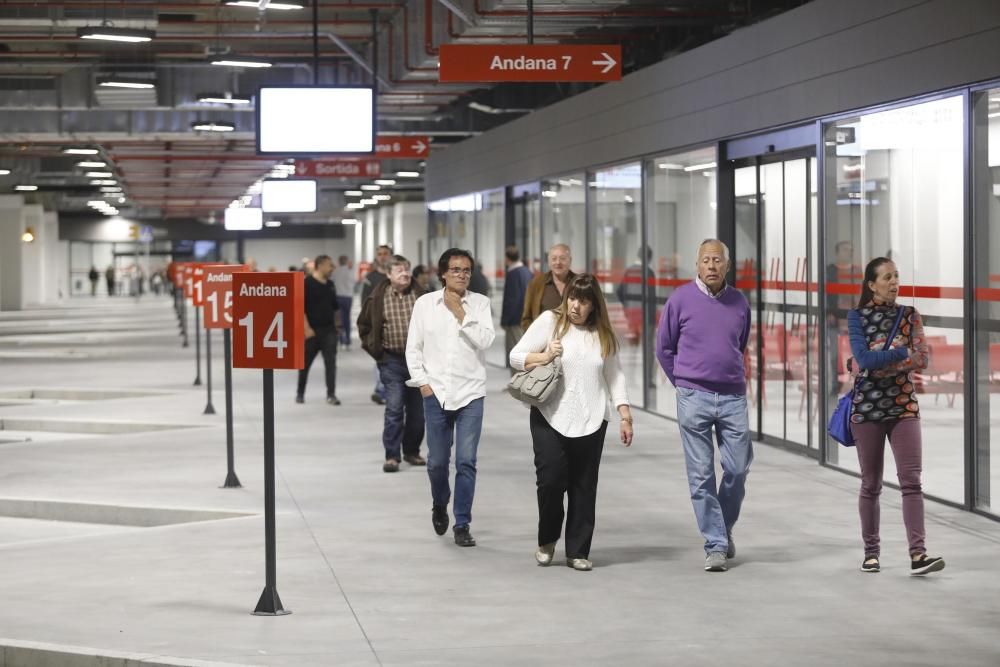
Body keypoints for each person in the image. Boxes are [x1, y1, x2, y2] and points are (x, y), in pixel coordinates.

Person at [510, 274, 633, 571]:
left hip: (592, 419)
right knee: (550, 481)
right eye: (573, 298)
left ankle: (578, 550)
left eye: (584, 300)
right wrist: (544, 355)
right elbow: (516, 356)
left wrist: (624, 414)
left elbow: (614, 376)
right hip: (549, 416)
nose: (576, 305)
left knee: (584, 486)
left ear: (594, 305)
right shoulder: (550, 322)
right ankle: (547, 538)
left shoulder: (602, 335)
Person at [655, 239, 752, 573]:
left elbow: (740, 343)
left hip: (732, 397)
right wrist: (683, 383)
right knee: (700, 476)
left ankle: (722, 530)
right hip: (693, 397)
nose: (712, 265)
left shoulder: (739, 302)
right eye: (706, 260)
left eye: (718, 260)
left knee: (738, 468)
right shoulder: (680, 299)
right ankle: (715, 544)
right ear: (697, 265)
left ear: (727, 265)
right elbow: (664, 347)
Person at [846, 257, 944, 576]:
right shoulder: (856, 317)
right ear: (872, 285)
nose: (894, 282)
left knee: (911, 482)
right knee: (871, 484)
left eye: (896, 276)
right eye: (887, 277)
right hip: (867, 410)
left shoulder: (910, 315)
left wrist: (879, 362)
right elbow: (862, 358)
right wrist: (899, 352)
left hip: (904, 408)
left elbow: (922, 359)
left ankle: (919, 555)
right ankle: (871, 553)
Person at [406, 248, 495, 547]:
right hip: (436, 393)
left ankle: (462, 523)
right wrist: (423, 384)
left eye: (466, 270)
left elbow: (485, 341)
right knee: (437, 462)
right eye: (456, 269)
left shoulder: (480, 304)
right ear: (443, 273)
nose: (462, 275)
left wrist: (461, 312)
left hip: (471, 393)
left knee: (467, 461)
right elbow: (413, 348)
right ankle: (439, 502)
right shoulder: (425, 304)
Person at [357, 255, 427, 473]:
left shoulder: (421, 296)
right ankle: (392, 456)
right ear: (388, 274)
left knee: (417, 412)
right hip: (392, 361)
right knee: (394, 408)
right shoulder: (377, 298)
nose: (405, 273)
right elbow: (364, 326)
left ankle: (412, 451)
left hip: (418, 362)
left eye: (406, 269)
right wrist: (377, 352)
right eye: (399, 270)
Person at [296, 255, 341, 405]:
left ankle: (331, 394)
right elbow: (299, 308)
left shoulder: (330, 285)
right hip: (312, 331)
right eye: (329, 265)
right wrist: (306, 328)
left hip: (329, 331)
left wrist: (337, 326)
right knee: (304, 364)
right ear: (320, 266)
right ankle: (300, 393)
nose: (332, 268)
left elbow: (335, 308)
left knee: (331, 364)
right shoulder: (306, 283)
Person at [362, 245, 393, 405]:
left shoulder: (397, 276)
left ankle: (385, 389)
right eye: (379, 254)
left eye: (385, 254)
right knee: (379, 358)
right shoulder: (370, 278)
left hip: (396, 325)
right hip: (377, 325)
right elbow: (365, 302)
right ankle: (381, 389)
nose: (382, 257)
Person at [521, 244, 576, 330]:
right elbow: (526, 319)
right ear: (549, 261)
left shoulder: (580, 283)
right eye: (554, 259)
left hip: (573, 340)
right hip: (543, 341)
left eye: (562, 258)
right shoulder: (535, 284)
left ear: (570, 260)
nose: (558, 262)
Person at [826, 240, 857, 394]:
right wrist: (828, 313)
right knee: (834, 355)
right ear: (837, 252)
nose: (849, 252)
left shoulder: (856, 272)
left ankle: (854, 384)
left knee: (855, 354)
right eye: (845, 250)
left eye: (851, 250)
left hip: (852, 320)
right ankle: (834, 384)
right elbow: (824, 294)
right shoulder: (830, 271)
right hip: (835, 320)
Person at [501, 246, 534, 374]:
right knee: (523, 349)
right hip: (525, 317)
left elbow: (511, 299)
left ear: (507, 258)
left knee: (514, 350)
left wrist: (505, 320)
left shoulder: (513, 274)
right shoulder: (527, 271)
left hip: (514, 319)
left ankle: (517, 380)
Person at [332, 255, 356, 348]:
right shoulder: (350, 270)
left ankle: (342, 340)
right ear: (346, 261)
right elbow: (354, 282)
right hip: (348, 297)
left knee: (339, 320)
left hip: (338, 297)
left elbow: (332, 282)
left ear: (339, 261)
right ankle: (348, 341)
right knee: (347, 319)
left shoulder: (335, 271)